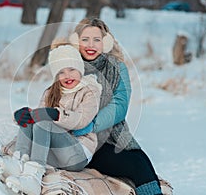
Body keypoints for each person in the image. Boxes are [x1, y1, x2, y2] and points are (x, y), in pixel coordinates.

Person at [68, 17, 164, 195]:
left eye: (97, 40)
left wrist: (92, 125)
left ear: (105, 42)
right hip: (82, 141)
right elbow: (56, 98)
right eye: (85, 39)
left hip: (111, 136)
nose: (91, 45)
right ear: (76, 41)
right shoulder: (68, 67)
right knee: (136, 166)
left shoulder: (117, 67)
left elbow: (120, 104)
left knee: (141, 161)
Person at [0, 44, 102, 195]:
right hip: (55, 152)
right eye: (61, 72)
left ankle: (34, 179)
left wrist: (55, 114)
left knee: (43, 123)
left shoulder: (90, 91)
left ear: (80, 69)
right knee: (30, 119)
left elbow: (82, 119)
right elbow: (38, 118)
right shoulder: (50, 92)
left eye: (71, 69)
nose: (67, 75)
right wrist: (21, 116)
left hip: (78, 152)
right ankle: (19, 162)